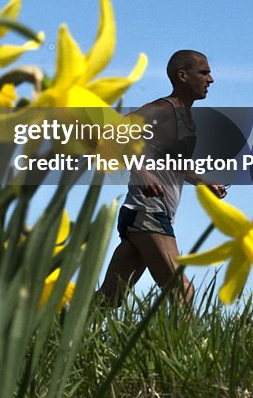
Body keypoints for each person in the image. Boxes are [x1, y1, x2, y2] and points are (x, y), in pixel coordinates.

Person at [97, 49, 227, 307]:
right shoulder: (160, 110)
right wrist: (141, 171)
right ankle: (187, 349)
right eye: (204, 72)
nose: (211, 79)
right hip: (147, 213)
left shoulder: (186, 118)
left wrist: (203, 182)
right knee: (182, 293)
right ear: (182, 76)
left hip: (149, 215)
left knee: (108, 300)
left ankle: (50, 338)